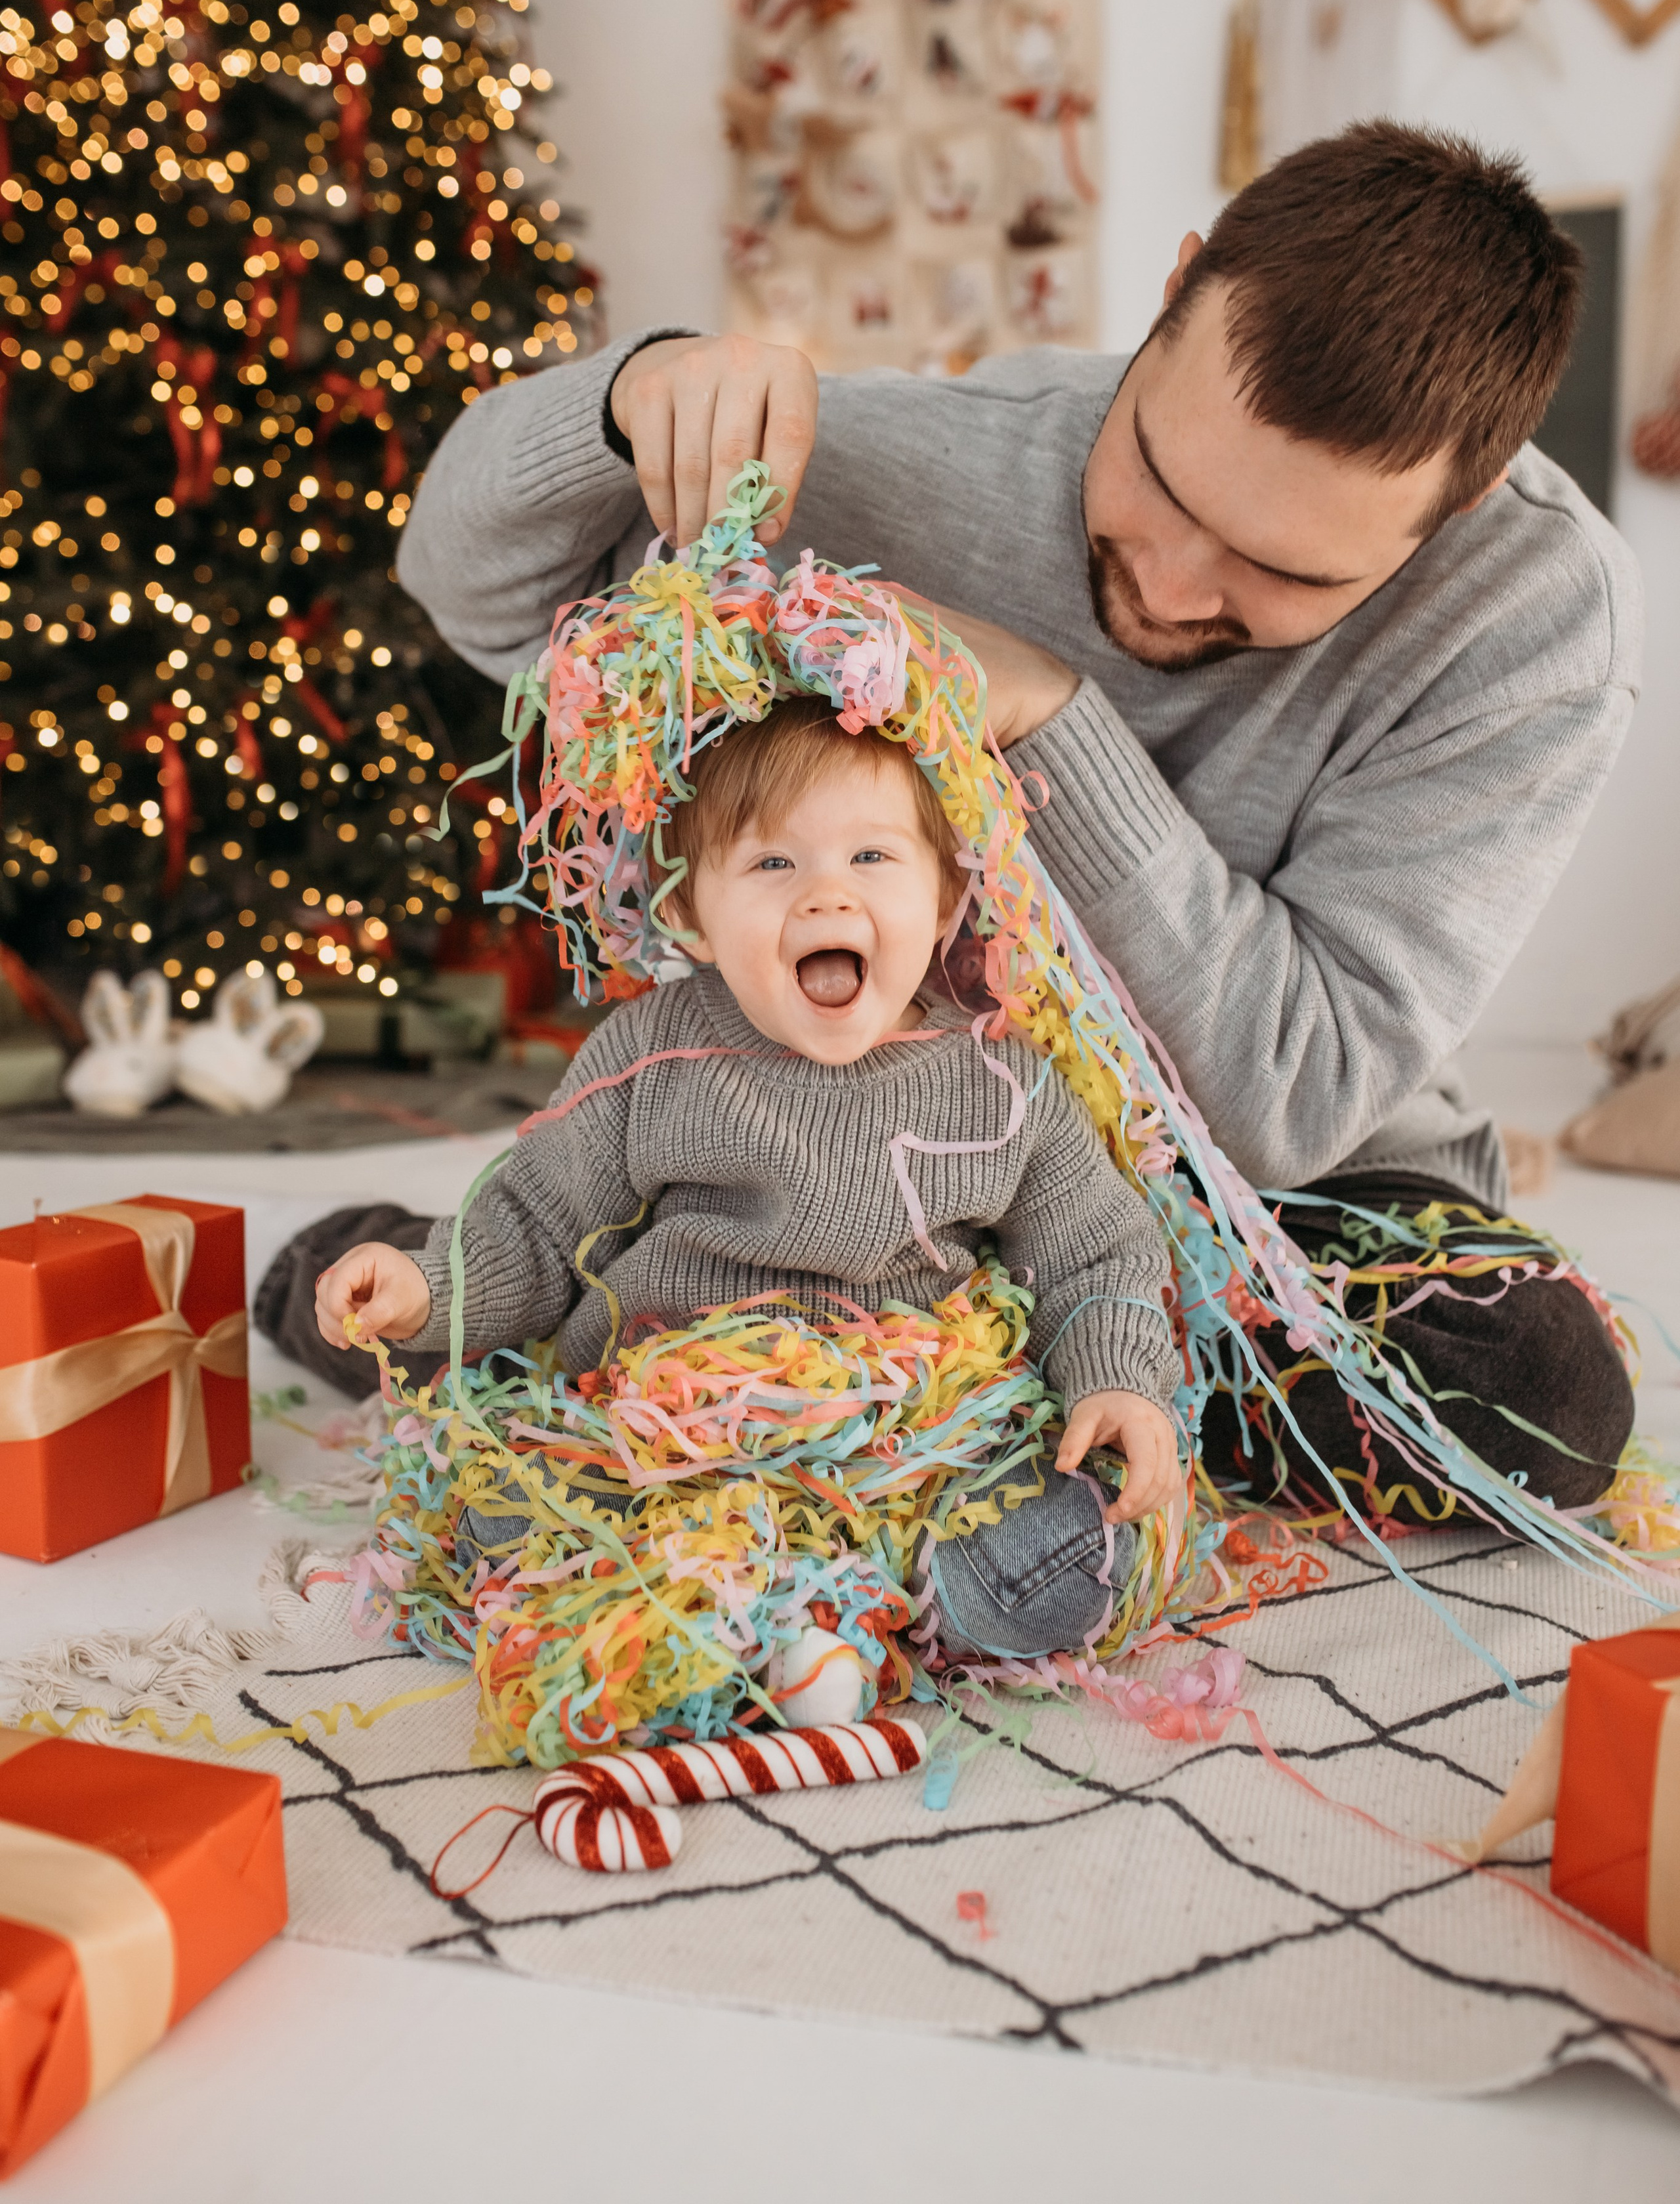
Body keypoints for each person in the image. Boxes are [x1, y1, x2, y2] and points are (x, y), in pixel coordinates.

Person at [395, 120, 1643, 1521]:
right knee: (657, 1210)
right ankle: (512, 1293)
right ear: (1169, 294)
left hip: (1273, 1195)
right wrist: (623, 396)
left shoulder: (1536, 616)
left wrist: (1049, 712)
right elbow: (473, 593)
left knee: (1535, 1393)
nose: (1171, 587)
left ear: (1458, 501)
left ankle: (942, 1385)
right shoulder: (884, 461)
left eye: (1279, 570)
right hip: (845, 1123)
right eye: (1161, 484)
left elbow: (1283, 1096)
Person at [314, 698, 1179, 1663]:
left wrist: (1116, 1379)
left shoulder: (1000, 1080)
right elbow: (538, 1218)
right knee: (513, 1522)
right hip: (672, 1436)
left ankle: (874, 1602)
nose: (825, 897)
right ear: (689, 914)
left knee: (1066, 1544)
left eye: (873, 858)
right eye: (773, 863)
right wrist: (426, 1286)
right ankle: (750, 1614)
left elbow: (1093, 1250)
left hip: (905, 1442)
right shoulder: (653, 1054)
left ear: (945, 899)